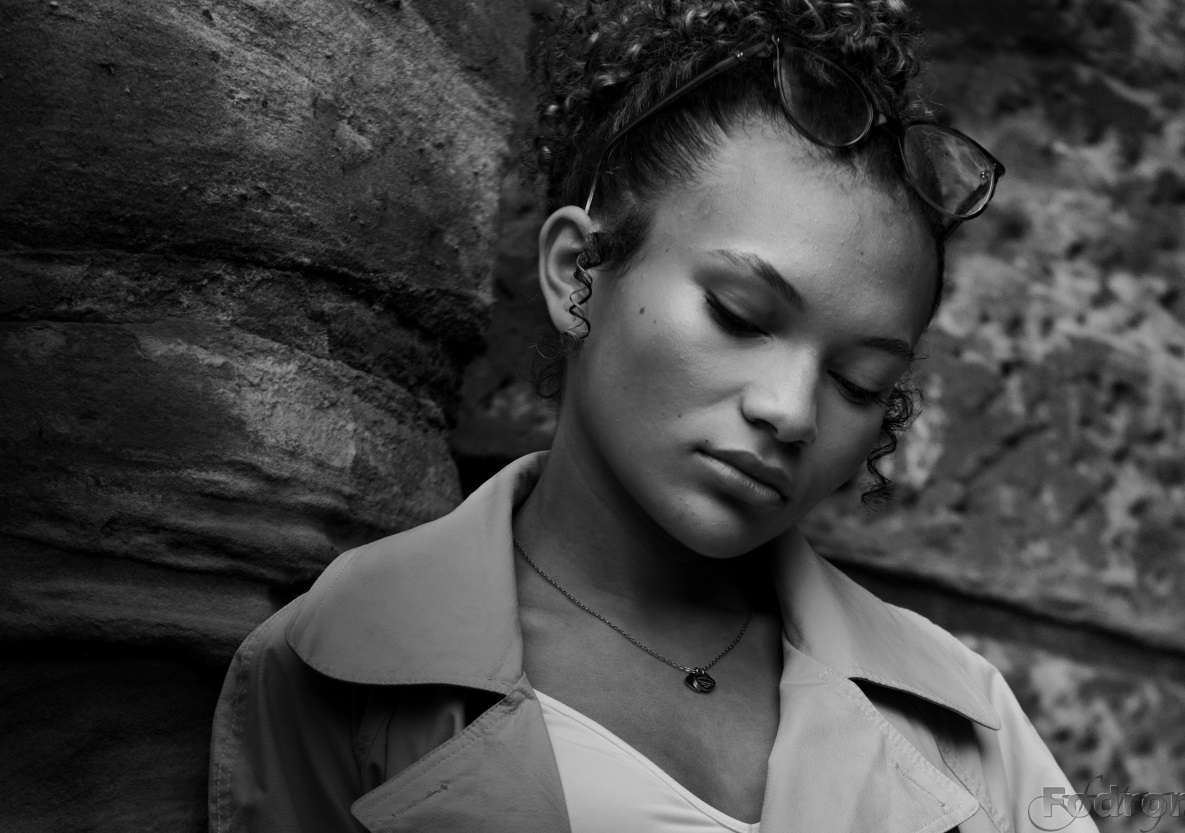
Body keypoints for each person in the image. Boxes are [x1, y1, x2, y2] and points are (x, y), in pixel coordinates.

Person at [209, 1, 1097, 831]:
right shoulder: (339, 663)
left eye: (860, 382)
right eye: (740, 316)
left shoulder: (967, 716)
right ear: (578, 271)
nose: (790, 410)